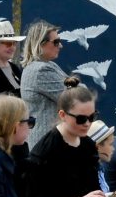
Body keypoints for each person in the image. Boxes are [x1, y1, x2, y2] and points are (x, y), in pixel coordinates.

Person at [20, 19, 78, 151]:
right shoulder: (41, 70)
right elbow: (77, 98)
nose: (60, 46)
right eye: (56, 42)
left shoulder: (48, 65)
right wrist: (76, 88)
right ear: (40, 43)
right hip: (48, 146)